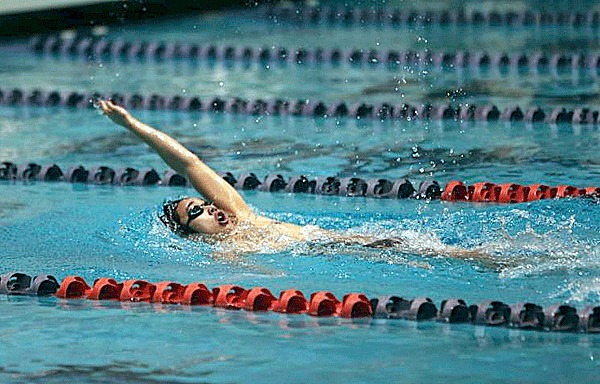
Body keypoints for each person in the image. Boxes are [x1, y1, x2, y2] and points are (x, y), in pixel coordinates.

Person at [99, 100, 494, 264]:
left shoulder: (242, 216)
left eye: (203, 202)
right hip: (360, 254)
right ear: (188, 235)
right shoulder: (225, 256)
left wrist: (131, 125)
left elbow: (188, 163)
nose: (210, 207)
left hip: (368, 244)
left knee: (474, 257)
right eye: (197, 212)